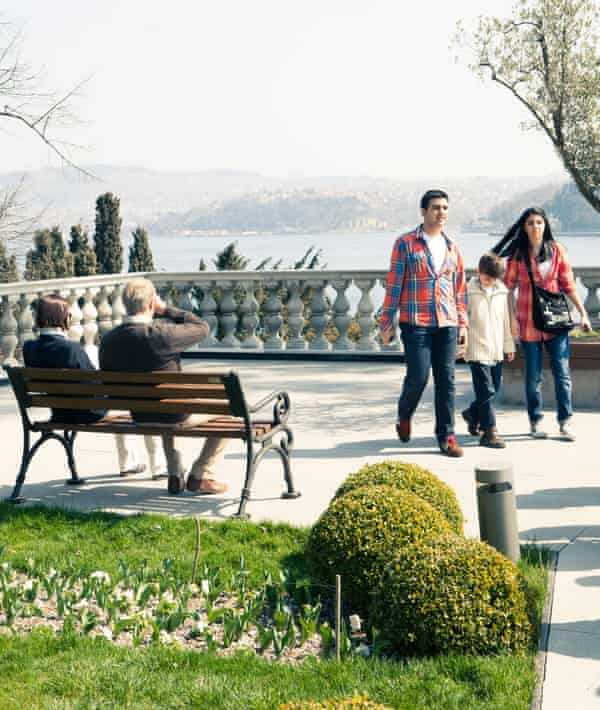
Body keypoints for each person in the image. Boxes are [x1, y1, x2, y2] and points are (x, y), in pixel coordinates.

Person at [99, 277, 228, 495]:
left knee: (165, 404)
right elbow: (202, 327)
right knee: (228, 408)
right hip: (174, 416)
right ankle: (202, 474)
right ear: (151, 304)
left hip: (140, 415)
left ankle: (174, 473)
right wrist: (166, 309)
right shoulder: (162, 336)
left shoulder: (109, 340)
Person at [22, 294, 166, 477]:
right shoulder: (72, 349)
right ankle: (158, 467)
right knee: (140, 405)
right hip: (87, 413)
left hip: (59, 412)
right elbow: (93, 383)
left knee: (124, 405)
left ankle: (129, 463)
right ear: (63, 318)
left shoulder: (29, 348)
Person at [380, 189, 468, 457]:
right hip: (415, 322)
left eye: (444, 208)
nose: (441, 212)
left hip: (447, 323)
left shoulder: (452, 247)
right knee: (418, 377)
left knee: (447, 381)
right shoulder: (405, 243)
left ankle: (447, 436)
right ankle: (404, 415)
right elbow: (394, 286)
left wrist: (463, 324)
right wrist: (386, 323)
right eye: (435, 208)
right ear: (423, 211)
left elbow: (459, 290)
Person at [494, 206, 592, 440]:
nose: (535, 227)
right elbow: (507, 290)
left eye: (539, 222)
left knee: (562, 372)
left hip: (556, 321)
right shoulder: (518, 254)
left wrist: (583, 313)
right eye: (530, 223)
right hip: (527, 321)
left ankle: (565, 421)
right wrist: (511, 321)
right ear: (524, 227)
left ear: (545, 224)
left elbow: (568, 284)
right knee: (533, 376)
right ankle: (535, 421)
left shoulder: (557, 251)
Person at [462, 253, 515, 448]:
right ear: (479, 272)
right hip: (476, 349)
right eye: (486, 278)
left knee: (493, 390)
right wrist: (461, 346)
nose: (488, 282)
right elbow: (462, 321)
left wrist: (508, 346)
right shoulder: (468, 291)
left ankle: (472, 414)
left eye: (492, 279)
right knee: (486, 391)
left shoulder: (502, 292)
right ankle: (489, 432)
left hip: (496, 349)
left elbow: (505, 321)